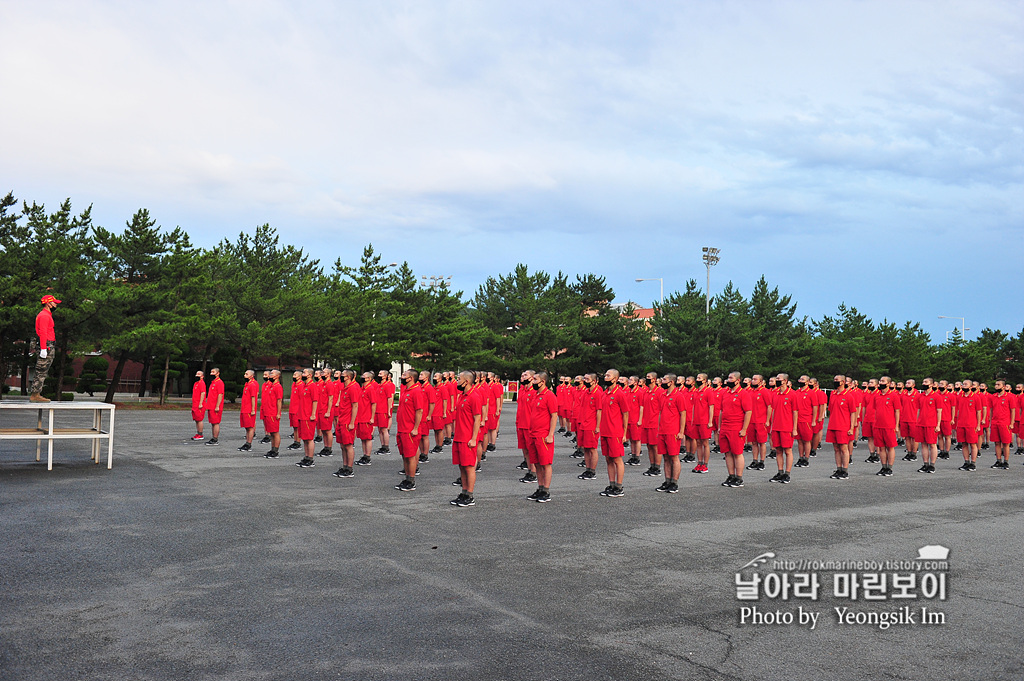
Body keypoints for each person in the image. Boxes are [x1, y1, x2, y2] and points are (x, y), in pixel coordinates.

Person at [451, 370, 483, 507]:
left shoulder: (474, 396)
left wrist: (474, 438)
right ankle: (463, 492)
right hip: (459, 436)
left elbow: (477, 419)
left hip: (467, 438)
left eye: (459, 379)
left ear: (467, 381)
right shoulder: (461, 396)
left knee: (469, 467)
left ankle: (469, 495)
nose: (457, 381)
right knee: (462, 467)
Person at [526, 371, 558, 503]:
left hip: (543, 435)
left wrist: (550, 434)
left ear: (542, 382)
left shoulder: (549, 395)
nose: (532, 382)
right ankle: (540, 488)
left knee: (545, 464)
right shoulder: (535, 395)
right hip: (533, 434)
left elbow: (554, 415)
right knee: (537, 463)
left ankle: (546, 490)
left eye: (535, 380)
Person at [598, 369, 629, 497]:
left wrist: (624, 433)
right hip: (605, 431)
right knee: (608, 459)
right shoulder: (604, 393)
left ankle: (619, 486)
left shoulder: (620, 394)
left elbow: (625, 413)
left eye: (608, 375)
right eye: (605, 375)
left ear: (615, 379)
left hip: (615, 432)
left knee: (617, 459)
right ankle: (611, 484)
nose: (605, 377)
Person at [719, 371, 753, 487]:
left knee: (737, 453)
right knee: (727, 453)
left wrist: (744, 429)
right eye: (728, 378)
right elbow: (721, 411)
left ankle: (739, 477)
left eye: (731, 378)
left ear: (738, 380)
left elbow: (748, 412)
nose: (729, 380)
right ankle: (731, 475)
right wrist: (720, 426)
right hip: (725, 427)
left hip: (736, 427)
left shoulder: (743, 394)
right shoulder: (726, 393)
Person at [395, 369, 425, 491]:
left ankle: (411, 481)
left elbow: (419, 411)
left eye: (404, 375)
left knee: (411, 455)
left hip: (410, 429)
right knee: (405, 455)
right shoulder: (406, 390)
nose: (402, 377)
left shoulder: (416, 391)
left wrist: (416, 428)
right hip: (402, 428)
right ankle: (407, 477)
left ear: (410, 378)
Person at [655, 374, 685, 493]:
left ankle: (674, 482)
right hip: (663, 431)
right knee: (665, 457)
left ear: (671, 382)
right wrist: (659, 428)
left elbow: (683, 413)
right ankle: (667, 481)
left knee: (674, 457)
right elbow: (661, 413)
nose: (662, 381)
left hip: (673, 431)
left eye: (664, 380)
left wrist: (681, 431)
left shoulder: (679, 396)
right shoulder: (663, 395)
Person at [767, 374, 798, 483]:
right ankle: (780, 472)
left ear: (785, 381)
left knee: (788, 450)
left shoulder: (792, 394)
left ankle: (787, 473)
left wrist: (794, 428)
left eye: (779, 379)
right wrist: (772, 425)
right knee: (778, 450)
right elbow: (774, 410)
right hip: (776, 426)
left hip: (787, 427)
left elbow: (795, 412)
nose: (777, 380)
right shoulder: (775, 394)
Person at [29, 294, 60, 402]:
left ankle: (36, 393)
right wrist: (43, 348)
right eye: (54, 302)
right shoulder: (44, 316)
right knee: (41, 370)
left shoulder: (46, 315)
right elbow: (43, 333)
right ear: (48, 303)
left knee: (43, 370)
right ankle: (35, 395)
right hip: (46, 345)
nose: (56, 304)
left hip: (48, 345)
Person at [331, 370, 362, 478]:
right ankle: (344, 466)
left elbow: (355, 406)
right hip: (342, 420)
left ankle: (349, 468)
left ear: (348, 377)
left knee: (348, 445)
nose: (340, 377)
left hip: (348, 421)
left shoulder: (353, 388)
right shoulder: (344, 388)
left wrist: (352, 422)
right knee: (342, 445)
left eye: (342, 376)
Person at [825, 375, 857, 479]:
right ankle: (838, 469)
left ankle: (845, 470)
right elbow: (831, 410)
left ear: (843, 382)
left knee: (844, 448)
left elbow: (853, 412)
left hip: (843, 426)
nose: (835, 382)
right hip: (833, 425)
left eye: (837, 380)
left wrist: (851, 427)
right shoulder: (833, 394)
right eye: (834, 380)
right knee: (836, 448)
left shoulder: (848, 396)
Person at [576, 373, 602, 481]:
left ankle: (592, 470)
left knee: (592, 449)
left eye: (587, 379)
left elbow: (599, 411)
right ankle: (587, 468)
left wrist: (597, 426)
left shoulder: (598, 393)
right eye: (585, 378)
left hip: (591, 425)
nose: (585, 380)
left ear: (594, 381)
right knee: (585, 449)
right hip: (583, 424)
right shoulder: (585, 392)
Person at [872, 377, 900, 476]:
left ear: (888, 383)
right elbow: (876, 411)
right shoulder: (877, 396)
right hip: (878, 426)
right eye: (880, 381)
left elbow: (897, 411)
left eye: (883, 381)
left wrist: (896, 425)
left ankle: (890, 468)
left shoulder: (893, 396)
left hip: (889, 426)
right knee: (881, 448)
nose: (880, 383)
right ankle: (883, 467)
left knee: (890, 447)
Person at [294, 368, 318, 468]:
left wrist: (313, 414)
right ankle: (306, 456)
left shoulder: (313, 386)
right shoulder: (304, 386)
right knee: (304, 438)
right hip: (302, 415)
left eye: (304, 373)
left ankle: (310, 459)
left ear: (310, 375)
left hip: (308, 416)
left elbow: (315, 401)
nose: (302, 374)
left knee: (309, 438)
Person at [916, 378, 942, 473]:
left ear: (931, 384)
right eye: (923, 382)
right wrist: (917, 421)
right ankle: (925, 464)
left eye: (926, 382)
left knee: (932, 444)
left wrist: (938, 424)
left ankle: (932, 465)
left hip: (931, 424)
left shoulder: (936, 396)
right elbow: (918, 410)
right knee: (923, 445)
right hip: (921, 423)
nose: (924, 384)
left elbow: (939, 411)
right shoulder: (920, 396)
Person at [988, 380, 1015, 469]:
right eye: (995, 384)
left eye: (998, 385)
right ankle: (998, 460)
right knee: (997, 443)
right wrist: (991, 421)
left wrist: (1011, 423)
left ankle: (1006, 462)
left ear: (1003, 387)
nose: (996, 386)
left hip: (1005, 423)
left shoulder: (1009, 397)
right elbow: (991, 410)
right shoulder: (993, 397)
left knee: (1006, 443)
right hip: (995, 423)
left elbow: (1012, 410)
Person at [516, 369, 537, 477]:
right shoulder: (522, 390)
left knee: (531, 450)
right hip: (521, 424)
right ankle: (529, 470)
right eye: (522, 375)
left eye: (525, 375)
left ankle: (533, 472)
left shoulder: (534, 392)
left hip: (529, 425)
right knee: (525, 450)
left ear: (532, 378)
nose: (523, 377)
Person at [354, 372, 378, 465]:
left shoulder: (370, 389)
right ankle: (364, 455)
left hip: (367, 418)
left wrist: (372, 417)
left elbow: (374, 403)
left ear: (368, 378)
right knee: (363, 438)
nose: (362, 377)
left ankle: (367, 457)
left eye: (364, 376)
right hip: (360, 417)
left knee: (367, 438)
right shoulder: (362, 389)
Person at [261, 370, 284, 458]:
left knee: (275, 432)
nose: (270, 375)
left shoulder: (278, 387)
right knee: (271, 433)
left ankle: (276, 450)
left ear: (277, 376)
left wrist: (278, 413)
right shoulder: (270, 386)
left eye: (272, 374)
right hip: (267, 412)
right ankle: (272, 448)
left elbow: (279, 401)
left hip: (273, 412)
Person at [238, 369, 259, 451]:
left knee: (250, 427)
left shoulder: (253, 385)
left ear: (251, 376)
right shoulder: (247, 384)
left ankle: (249, 444)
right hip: (244, 408)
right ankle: (247, 442)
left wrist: (253, 409)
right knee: (246, 427)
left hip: (249, 409)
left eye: (246, 374)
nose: (244, 375)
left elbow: (253, 397)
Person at [375, 370, 395, 454]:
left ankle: (386, 447)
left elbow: (389, 398)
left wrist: (388, 410)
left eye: (381, 374)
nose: (379, 375)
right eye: (378, 373)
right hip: (377, 410)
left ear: (385, 376)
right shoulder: (379, 385)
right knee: (380, 429)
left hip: (383, 410)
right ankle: (382, 446)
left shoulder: (387, 386)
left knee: (384, 429)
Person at [205, 367, 225, 446]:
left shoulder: (219, 382)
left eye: (213, 372)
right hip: (210, 406)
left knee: (216, 422)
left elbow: (220, 394)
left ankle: (215, 439)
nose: (211, 374)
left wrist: (217, 406)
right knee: (213, 422)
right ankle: (213, 437)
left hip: (215, 406)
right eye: (211, 372)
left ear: (217, 373)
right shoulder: (213, 382)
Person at [287, 370, 303, 450]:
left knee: (298, 427)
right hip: (292, 409)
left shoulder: (301, 385)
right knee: (294, 427)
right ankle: (295, 441)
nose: (293, 376)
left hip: (297, 409)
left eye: (295, 375)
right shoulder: (294, 384)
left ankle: (298, 441)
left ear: (300, 377)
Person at [190, 371, 206, 440]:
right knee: (196, 419)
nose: (197, 375)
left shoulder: (202, 383)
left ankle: (200, 434)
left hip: (199, 404)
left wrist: (200, 403)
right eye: (196, 374)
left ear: (202, 376)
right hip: (195, 404)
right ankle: (198, 432)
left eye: (199, 374)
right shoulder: (196, 383)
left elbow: (203, 393)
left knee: (199, 419)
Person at [259, 370, 272, 444]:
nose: (264, 376)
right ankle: (266, 434)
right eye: (263, 374)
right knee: (264, 421)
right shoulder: (264, 384)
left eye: (266, 375)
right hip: (263, 405)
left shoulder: (271, 384)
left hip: (269, 406)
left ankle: (269, 435)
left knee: (268, 421)